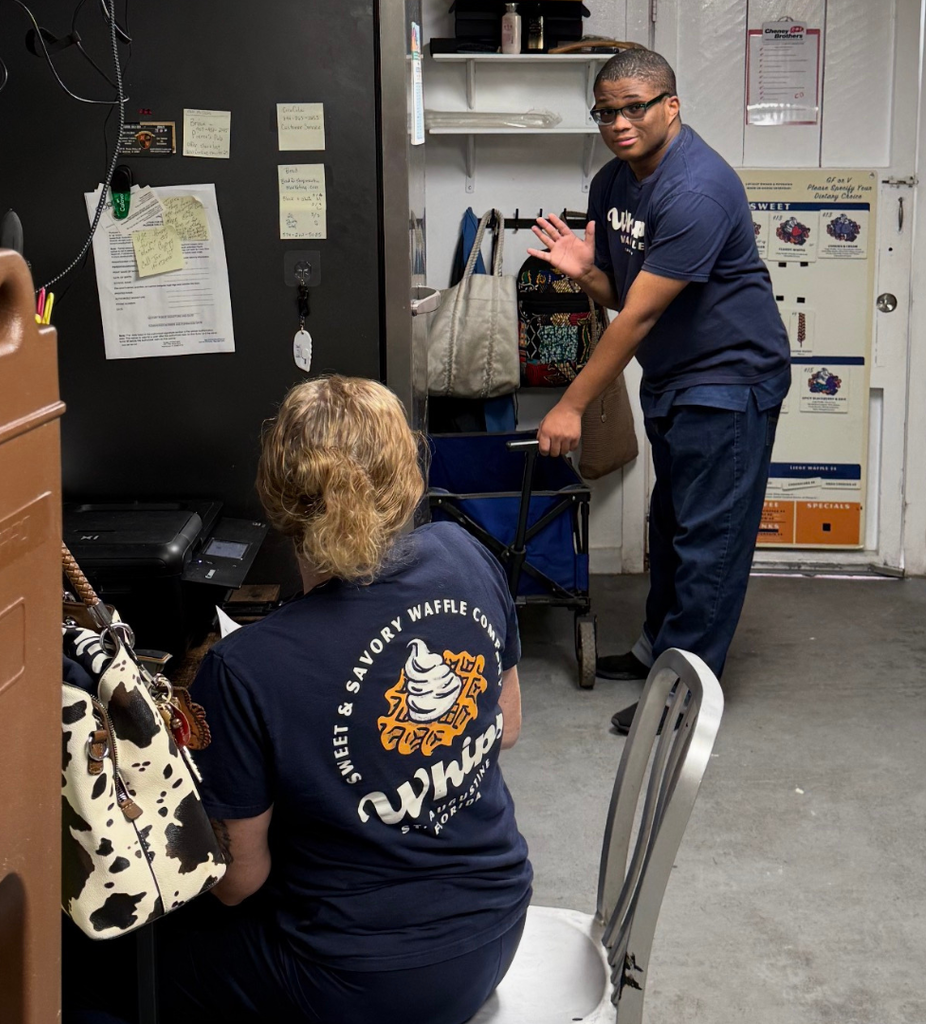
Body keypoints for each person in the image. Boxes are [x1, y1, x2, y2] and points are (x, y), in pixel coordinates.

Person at [157, 376, 532, 1024]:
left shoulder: (243, 669)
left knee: (117, 966)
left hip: (357, 985)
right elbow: (507, 726)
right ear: (406, 473)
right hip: (499, 927)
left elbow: (237, 882)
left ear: (277, 495)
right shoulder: (465, 554)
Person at [528, 48, 790, 733]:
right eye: (606, 111)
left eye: (634, 107)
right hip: (676, 375)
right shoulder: (612, 185)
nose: (619, 122)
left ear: (670, 106)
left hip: (731, 377)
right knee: (671, 525)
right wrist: (586, 274)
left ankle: (686, 694)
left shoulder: (697, 189)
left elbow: (640, 316)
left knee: (710, 539)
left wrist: (571, 405)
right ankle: (656, 653)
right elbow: (624, 295)